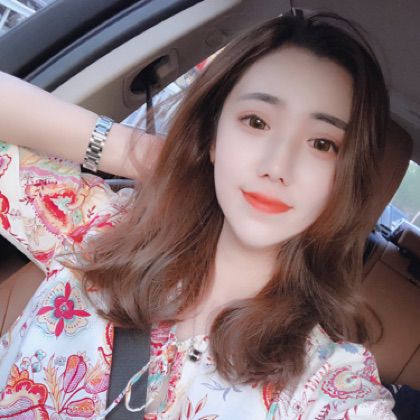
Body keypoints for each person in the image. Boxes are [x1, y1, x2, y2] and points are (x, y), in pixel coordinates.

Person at [0, 11, 397, 419]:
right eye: (256, 122)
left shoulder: (327, 384)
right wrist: (150, 155)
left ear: (346, 178)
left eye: (322, 144)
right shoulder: (93, 223)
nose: (277, 166)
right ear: (212, 136)